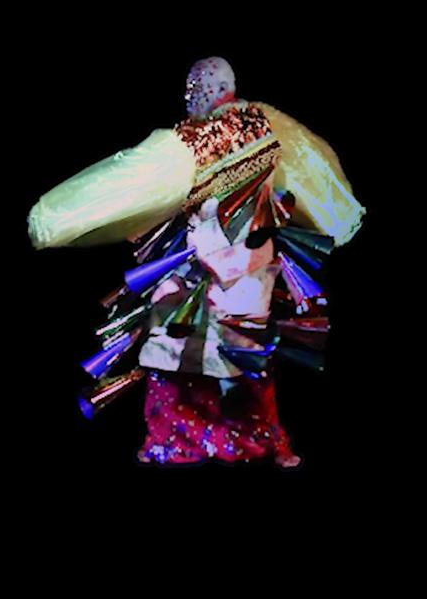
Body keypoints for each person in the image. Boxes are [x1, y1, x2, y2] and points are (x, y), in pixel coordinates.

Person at [28, 57, 365, 468]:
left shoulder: (185, 144)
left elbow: (122, 186)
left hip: (205, 263)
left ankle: (179, 439)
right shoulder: (269, 125)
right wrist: (339, 219)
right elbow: (313, 172)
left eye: (192, 91)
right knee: (243, 348)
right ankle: (253, 439)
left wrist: (51, 219)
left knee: (181, 345)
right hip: (250, 264)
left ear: (202, 92)